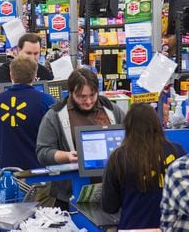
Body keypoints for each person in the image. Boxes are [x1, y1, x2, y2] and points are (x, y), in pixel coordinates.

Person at [36, 67, 125, 209]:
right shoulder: (55, 115)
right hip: (70, 195)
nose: (88, 101)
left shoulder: (112, 111)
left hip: (112, 191)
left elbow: (130, 139)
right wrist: (66, 156)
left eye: (92, 95)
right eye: (82, 96)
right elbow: (43, 152)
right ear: (71, 93)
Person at [101, 103, 186, 229]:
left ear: (128, 127)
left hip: (132, 228)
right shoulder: (177, 151)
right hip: (170, 227)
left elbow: (109, 206)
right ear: (157, 124)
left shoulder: (119, 157)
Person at [0, 55, 55, 169]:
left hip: (8, 173)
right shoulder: (45, 100)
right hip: (39, 174)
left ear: (11, 75)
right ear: (35, 76)